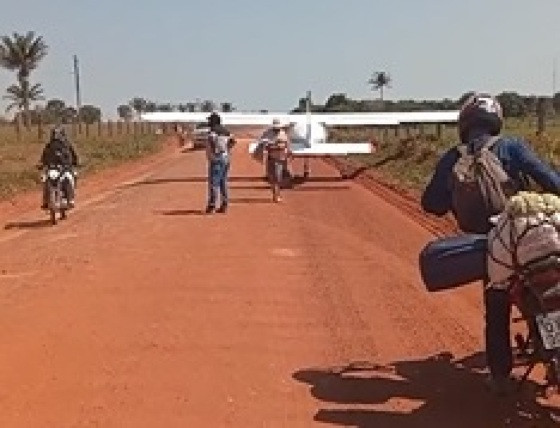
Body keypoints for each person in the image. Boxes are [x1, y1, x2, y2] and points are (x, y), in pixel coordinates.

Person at [421, 93, 560, 395]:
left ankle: (499, 376)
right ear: (496, 121)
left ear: (465, 124)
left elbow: (431, 204)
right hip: (528, 232)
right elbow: (550, 179)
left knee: (496, 306)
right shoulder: (511, 147)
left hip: (491, 247)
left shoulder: (452, 158)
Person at [39, 126, 79, 209]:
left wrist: (75, 163)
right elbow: (43, 157)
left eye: (58, 135)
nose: (57, 137)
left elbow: (73, 156)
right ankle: (45, 201)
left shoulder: (67, 145)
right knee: (45, 181)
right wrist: (42, 164)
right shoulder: (49, 146)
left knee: (70, 178)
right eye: (55, 135)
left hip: (65, 168)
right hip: (52, 168)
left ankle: (70, 198)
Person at [205, 112, 235, 214]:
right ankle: (224, 205)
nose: (208, 122)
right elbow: (233, 141)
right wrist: (227, 149)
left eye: (209, 120)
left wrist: (215, 152)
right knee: (223, 182)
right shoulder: (226, 131)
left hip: (216, 159)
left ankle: (212, 206)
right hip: (226, 158)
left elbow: (212, 141)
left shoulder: (213, 132)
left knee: (214, 183)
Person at [259, 118, 291, 202]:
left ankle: (277, 194)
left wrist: (274, 146)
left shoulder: (283, 134)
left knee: (278, 177)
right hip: (271, 158)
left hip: (280, 158)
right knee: (271, 177)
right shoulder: (267, 133)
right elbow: (262, 143)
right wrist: (270, 145)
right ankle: (275, 194)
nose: (276, 129)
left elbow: (284, 145)